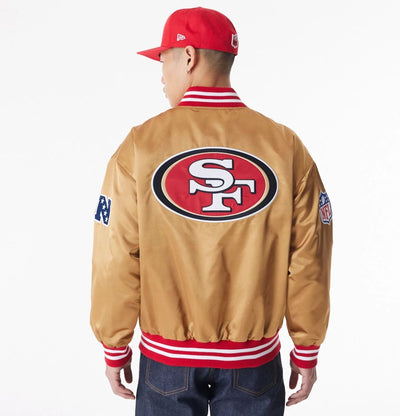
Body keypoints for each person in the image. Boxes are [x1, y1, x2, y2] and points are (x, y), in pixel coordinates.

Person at [90, 7, 332, 416]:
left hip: (165, 364)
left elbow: (116, 256)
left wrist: (115, 345)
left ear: (188, 57)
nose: (161, 75)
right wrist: (306, 347)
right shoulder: (285, 146)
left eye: (164, 60)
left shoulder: (140, 146)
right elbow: (310, 255)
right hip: (254, 365)